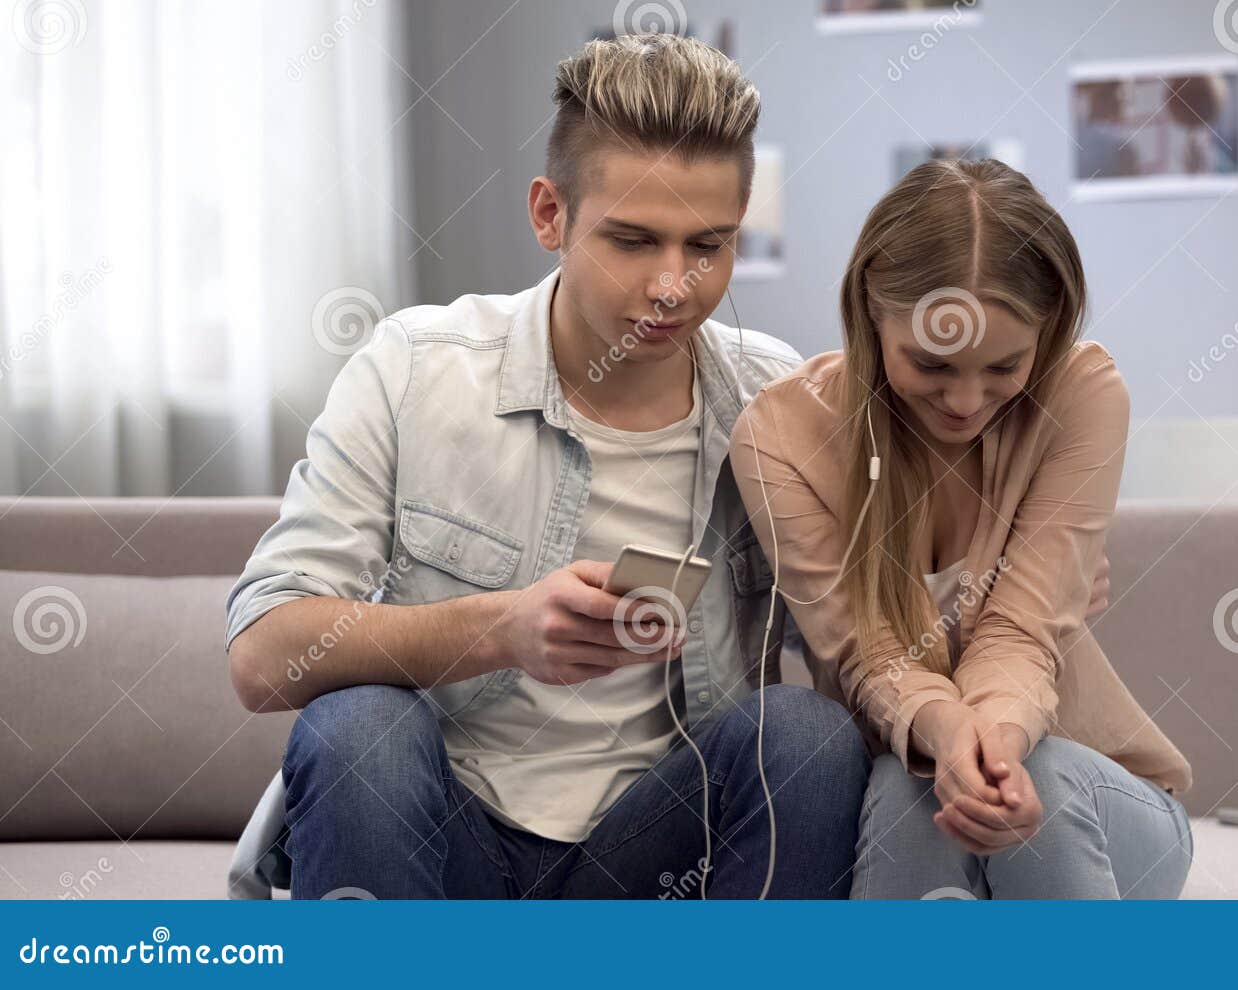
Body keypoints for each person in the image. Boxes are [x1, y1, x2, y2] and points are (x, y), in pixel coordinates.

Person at [224, 33, 870, 900]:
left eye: (706, 247)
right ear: (548, 215)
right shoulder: (414, 368)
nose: (674, 286)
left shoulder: (775, 400)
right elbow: (263, 657)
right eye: (634, 241)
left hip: (663, 863)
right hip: (449, 846)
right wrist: (502, 630)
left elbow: (857, 644)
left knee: (805, 736)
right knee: (358, 727)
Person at [729, 158, 1194, 899]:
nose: (966, 401)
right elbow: (865, 651)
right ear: (869, 314)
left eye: (1005, 366)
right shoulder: (781, 437)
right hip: (906, 788)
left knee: (1028, 773)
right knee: (910, 786)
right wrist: (945, 736)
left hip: (1097, 793)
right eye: (931, 363)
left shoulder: (1082, 393)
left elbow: (1022, 632)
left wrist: (996, 744)